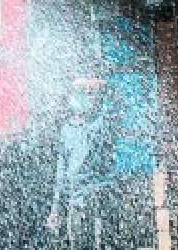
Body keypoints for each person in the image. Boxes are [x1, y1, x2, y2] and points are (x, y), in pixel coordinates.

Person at [46, 77, 115, 250]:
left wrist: (96, 87)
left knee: (101, 244)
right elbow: (61, 172)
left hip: (98, 196)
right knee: (77, 244)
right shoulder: (66, 130)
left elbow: (112, 107)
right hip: (75, 200)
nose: (80, 99)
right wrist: (55, 208)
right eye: (77, 95)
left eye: (86, 95)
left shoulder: (98, 125)